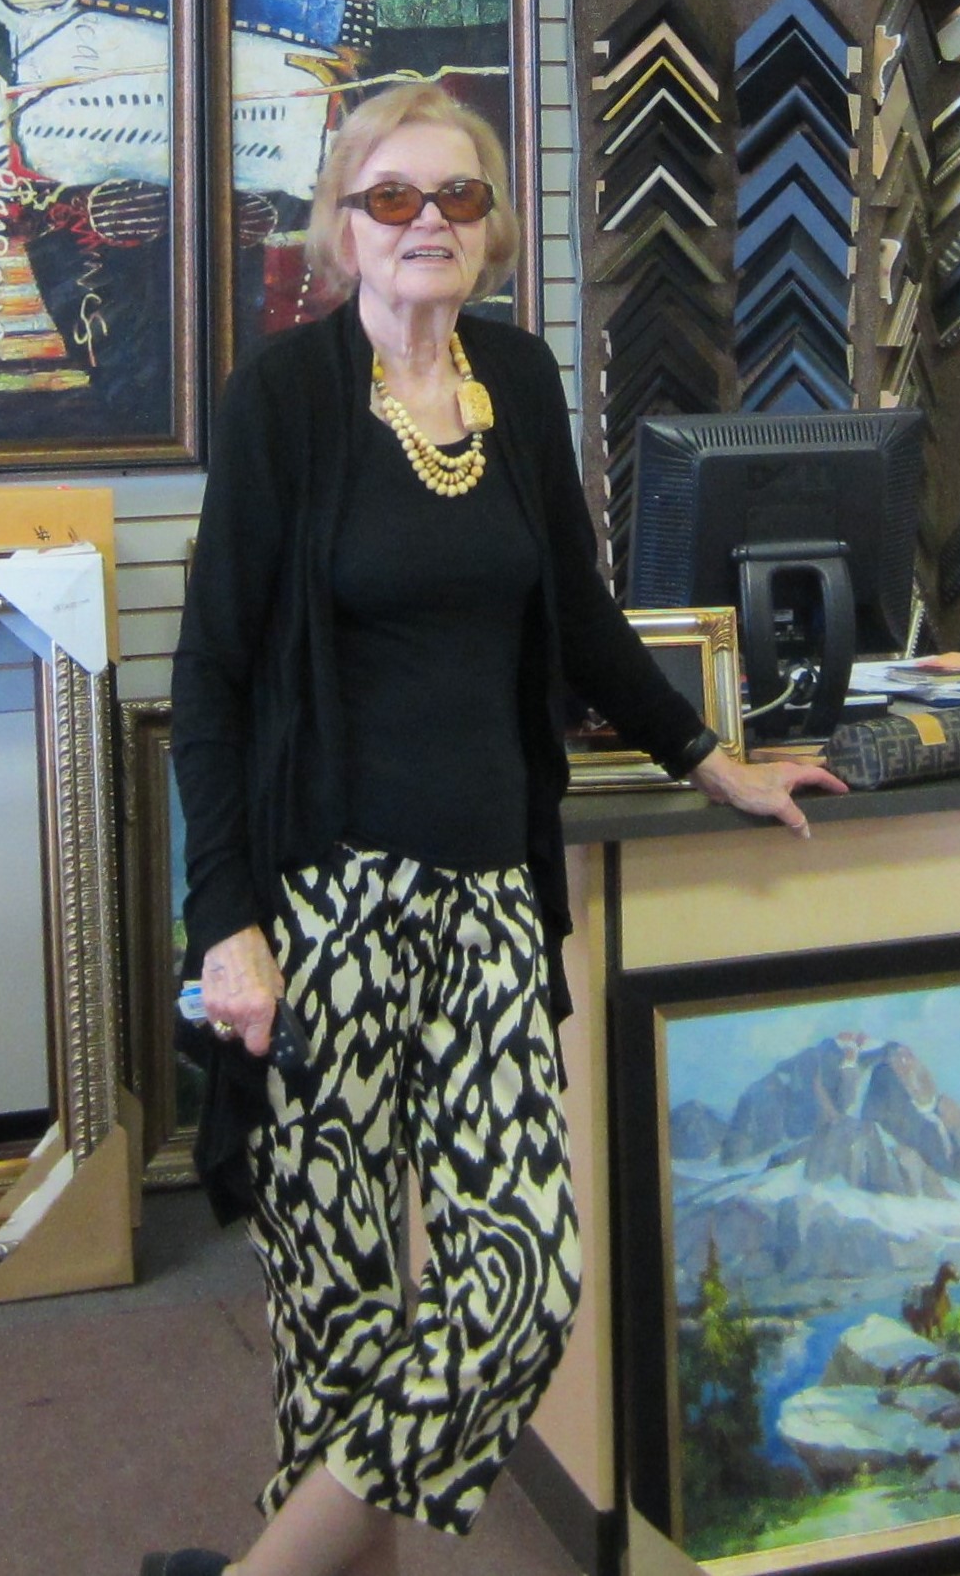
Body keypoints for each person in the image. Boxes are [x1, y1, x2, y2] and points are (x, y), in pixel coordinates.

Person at [155, 83, 840, 1576]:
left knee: (518, 1286)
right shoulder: (283, 402)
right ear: (343, 227)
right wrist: (226, 924)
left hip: (487, 911)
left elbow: (578, 616)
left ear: (493, 226)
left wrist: (707, 758)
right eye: (392, 197)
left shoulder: (518, 382)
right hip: (323, 911)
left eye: (457, 197)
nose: (427, 223)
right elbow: (209, 678)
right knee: (336, 1327)